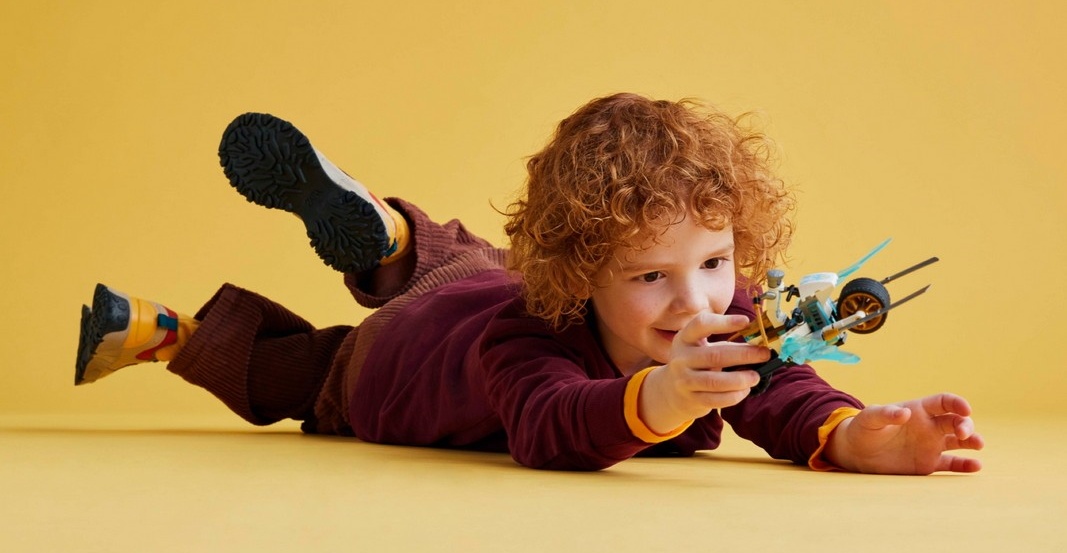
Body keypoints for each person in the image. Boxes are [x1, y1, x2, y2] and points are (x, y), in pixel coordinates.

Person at [74, 93, 984, 474]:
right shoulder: (526, 345)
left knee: (462, 256)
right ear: (582, 276)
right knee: (298, 372)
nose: (699, 303)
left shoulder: (715, 311)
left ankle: (389, 237)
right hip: (391, 360)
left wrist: (852, 433)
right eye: (652, 275)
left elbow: (780, 383)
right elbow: (549, 426)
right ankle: (163, 330)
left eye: (714, 262)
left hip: (481, 279)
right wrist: (659, 398)